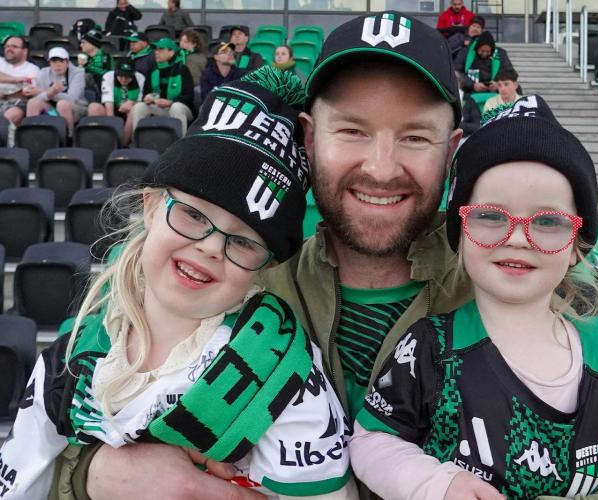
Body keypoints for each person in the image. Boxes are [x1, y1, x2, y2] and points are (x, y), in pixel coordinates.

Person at [48, 12, 471, 500]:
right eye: (352, 130)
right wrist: (96, 475)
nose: (380, 168)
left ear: (451, 149)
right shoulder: (224, 276)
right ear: (309, 137)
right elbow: (58, 410)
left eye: (415, 136)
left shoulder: (527, 291)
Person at [0, 67, 356, 500]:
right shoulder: (73, 355)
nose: (208, 247)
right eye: (192, 214)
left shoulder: (283, 376)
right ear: (151, 206)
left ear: (263, 266)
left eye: (242, 240)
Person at [351, 94, 598, 499]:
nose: (517, 237)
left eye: (547, 221)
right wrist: (436, 484)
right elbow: (371, 440)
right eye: (491, 216)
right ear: (460, 235)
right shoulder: (430, 347)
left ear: (576, 246)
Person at [131, 37, 194, 136]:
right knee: (139, 107)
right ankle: (138, 140)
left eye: (161, 49)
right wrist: (147, 98)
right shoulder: (152, 70)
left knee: (176, 107)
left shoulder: (182, 69)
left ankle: (181, 145)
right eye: (156, 49)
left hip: (181, 108)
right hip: (159, 107)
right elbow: (145, 93)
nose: (156, 52)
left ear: (171, 52)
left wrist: (171, 102)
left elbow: (189, 96)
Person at [25, 47, 87, 132]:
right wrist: (50, 93)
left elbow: (72, 99)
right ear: (49, 62)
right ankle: (31, 134)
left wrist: (48, 92)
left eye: (61, 61)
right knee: (32, 103)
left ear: (67, 62)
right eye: (54, 61)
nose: (58, 65)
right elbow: (38, 98)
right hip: (52, 108)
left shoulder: (78, 73)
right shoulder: (43, 72)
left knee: (62, 104)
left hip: (77, 107)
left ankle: (68, 136)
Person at [87, 58, 144, 144]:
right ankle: (103, 141)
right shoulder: (108, 76)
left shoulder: (140, 78)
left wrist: (131, 103)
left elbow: (139, 102)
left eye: (127, 76)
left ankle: (123, 143)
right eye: (120, 76)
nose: (124, 79)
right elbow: (109, 106)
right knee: (93, 107)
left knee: (134, 110)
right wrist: (114, 132)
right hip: (113, 108)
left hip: (129, 109)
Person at [0, 36, 40, 126]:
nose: (9, 49)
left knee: (8, 118)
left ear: (25, 51)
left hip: (17, 104)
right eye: (7, 46)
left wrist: (5, 94)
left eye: (14, 46)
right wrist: (16, 80)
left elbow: (26, 92)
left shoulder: (32, 69)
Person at [79, 28, 114, 99]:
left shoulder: (105, 57)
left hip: (103, 91)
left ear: (92, 44)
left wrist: (87, 66)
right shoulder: (86, 57)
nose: (81, 45)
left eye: (83, 42)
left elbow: (108, 75)